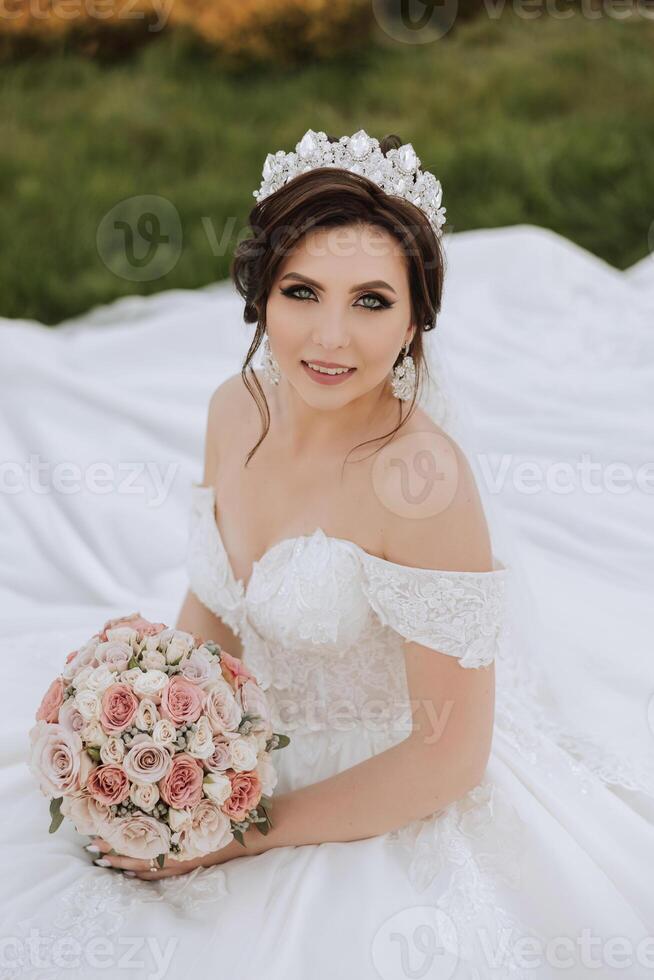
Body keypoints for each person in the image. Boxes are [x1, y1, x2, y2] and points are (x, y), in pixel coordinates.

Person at [23, 130, 654, 979]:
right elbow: (217, 601)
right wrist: (166, 723)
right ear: (260, 296)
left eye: (371, 301)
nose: (329, 338)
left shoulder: (423, 481)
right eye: (302, 291)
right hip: (247, 747)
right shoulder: (234, 409)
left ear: (416, 317)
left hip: (390, 780)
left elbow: (449, 756)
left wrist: (242, 835)